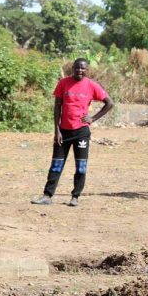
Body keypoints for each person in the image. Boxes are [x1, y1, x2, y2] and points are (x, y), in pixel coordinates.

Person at [31, 58, 114, 207]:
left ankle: (75, 196)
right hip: (63, 131)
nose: (80, 71)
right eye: (77, 68)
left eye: (83, 69)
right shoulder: (63, 83)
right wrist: (57, 130)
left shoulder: (92, 85)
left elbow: (109, 103)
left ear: (87, 70)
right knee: (56, 165)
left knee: (81, 166)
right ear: (72, 68)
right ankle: (47, 196)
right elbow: (57, 107)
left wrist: (93, 118)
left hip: (81, 132)